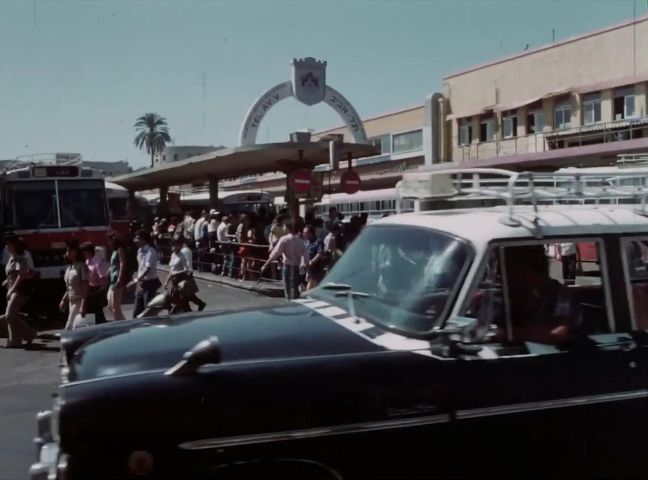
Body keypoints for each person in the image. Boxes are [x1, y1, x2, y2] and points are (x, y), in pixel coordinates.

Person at [0, 235, 37, 347]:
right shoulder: (11, 259)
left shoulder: (22, 259)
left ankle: (26, 334)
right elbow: (12, 274)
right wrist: (7, 281)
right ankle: (16, 339)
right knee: (12, 316)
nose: (6, 247)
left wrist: (12, 289)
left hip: (19, 290)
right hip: (11, 289)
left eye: (9, 244)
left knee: (10, 315)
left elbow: (21, 276)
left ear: (14, 245)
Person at [260, 220, 306, 299]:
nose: (283, 228)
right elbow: (306, 257)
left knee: (288, 289)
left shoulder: (284, 239)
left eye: (284, 226)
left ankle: (289, 303)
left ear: (288, 228)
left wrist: (266, 264)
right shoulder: (301, 241)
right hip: (297, 267)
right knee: (295, 288)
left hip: (288, 267)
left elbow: (275, 253)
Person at [60, 239, 89, 330]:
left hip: (79, 301)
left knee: (69, 327)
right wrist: (64, 300)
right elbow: (69, 287)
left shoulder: (82, 267)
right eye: (67, 250)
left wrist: (83, 305)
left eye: (70, 250)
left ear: (76, 251)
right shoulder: (70, 267)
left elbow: (86, 287)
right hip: (71, 301)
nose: (68, 252)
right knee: (77, 328)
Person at [131, 230, 160, 318]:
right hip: (141, 285)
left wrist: (136, 280)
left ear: (144, 239)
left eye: (137, 238)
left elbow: (147, 269)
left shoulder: (150, 252)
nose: (135, 240)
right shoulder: (139, 251)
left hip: (150, 285)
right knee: (136, 312)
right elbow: (140, 268)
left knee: (148, 312)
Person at [81, 242, 108, 324]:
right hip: (89, 290)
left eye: (83, 252)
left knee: (98, 316)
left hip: (96, 291)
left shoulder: (98, 263)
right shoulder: (87, 261)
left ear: (88, 252)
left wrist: (100, 294)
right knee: (92, 317)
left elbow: (103, 280)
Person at [178, 237, 206, 311]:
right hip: (187, 272)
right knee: (188, 294)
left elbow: (184, 263)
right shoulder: (187, 250)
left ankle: (189, 309)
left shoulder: (183, 251)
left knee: (185, 294)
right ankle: (198, 304)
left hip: (185, 273)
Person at [106, 232, 128, 321]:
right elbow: (113, 265)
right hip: (112, 280)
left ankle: (120, 323)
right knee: (111, 305)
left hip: (116, 279)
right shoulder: (114, 251)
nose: (108, 242)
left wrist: (120, 277)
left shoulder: (120, 249)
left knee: (115, 306)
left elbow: (123, 263)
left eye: (109, 240)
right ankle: (121, 322)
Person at [303, 225, 327, 290]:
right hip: (308, 268)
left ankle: (307, 298)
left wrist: (312, 262)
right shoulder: (307, 242)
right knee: (313, 286)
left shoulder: (318, 241)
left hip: (316, 267)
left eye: (305, 233)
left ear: (311, 233)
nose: (304, 234)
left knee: (311, 285)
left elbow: (320, 253)